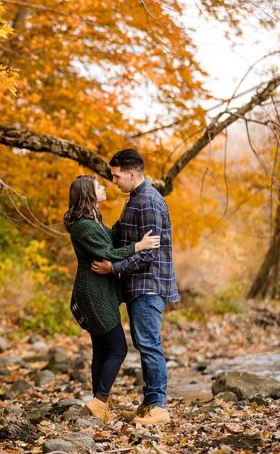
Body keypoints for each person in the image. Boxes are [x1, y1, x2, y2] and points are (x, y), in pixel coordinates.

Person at [91, 148, 178, 425]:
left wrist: (112, 268)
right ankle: (149, 402)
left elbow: (148, 254)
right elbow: (121, 237)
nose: (114, 181)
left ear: (131, 174)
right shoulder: (134, 199)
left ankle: (159, 407)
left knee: (149, 344)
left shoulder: (149, 201)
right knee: (144, 343)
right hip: (138, 286)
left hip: (149, 285)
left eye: (116, 176)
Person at [64, 174, 160, 422]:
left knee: (102, 349)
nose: (104, 186)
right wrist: (138, 246)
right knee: (118, 348)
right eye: (98, 186)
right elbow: (107, 252)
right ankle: (100, 401)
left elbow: (110, 235)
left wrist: (127, 209)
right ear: (88, 193)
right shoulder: (83, 225)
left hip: (99, 290)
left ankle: (99, 406)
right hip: (94, 293)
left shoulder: (92, 220)